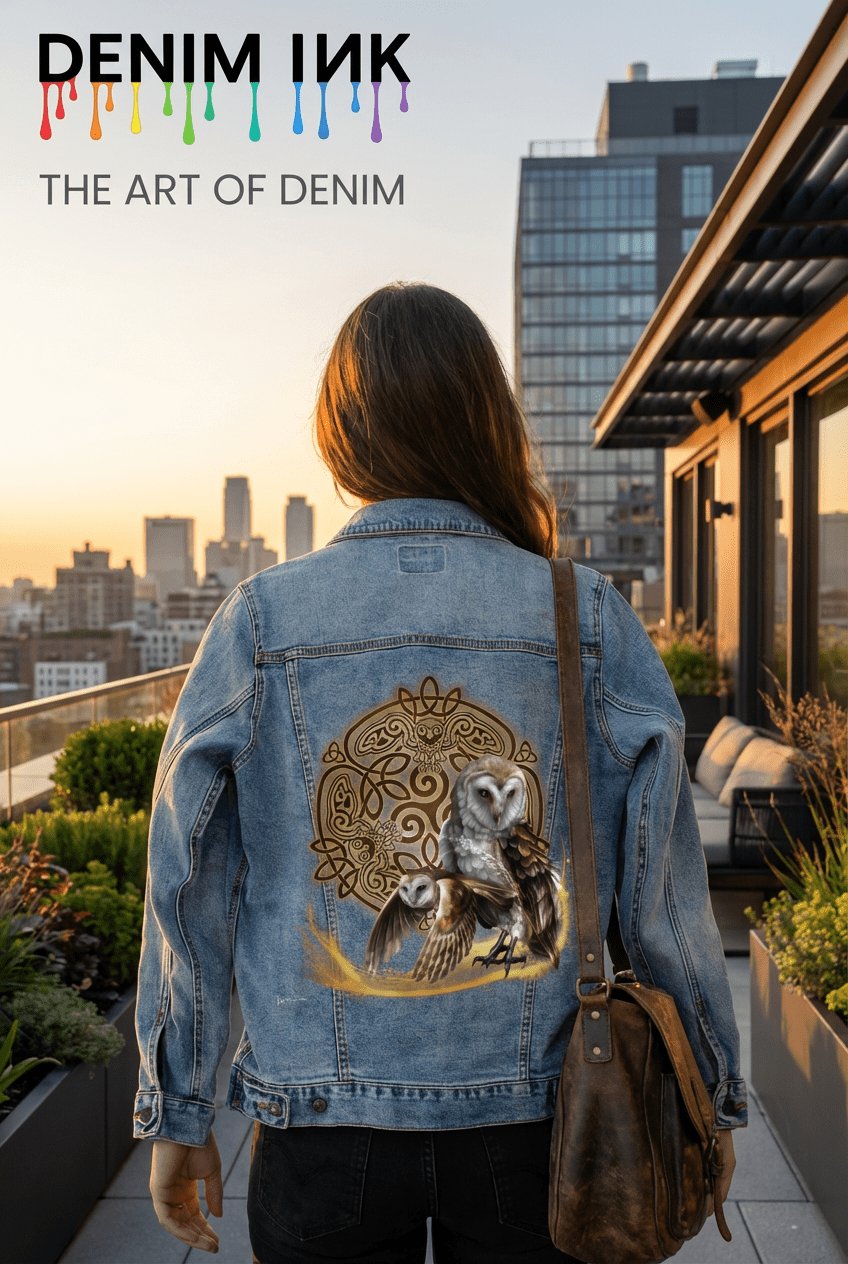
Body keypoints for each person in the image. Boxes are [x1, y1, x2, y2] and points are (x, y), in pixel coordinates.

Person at [136, 283, 742, 1262]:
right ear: (483, 417)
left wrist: (180, 1108)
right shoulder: (583, 612)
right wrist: (707, 1089)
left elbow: (188, 883)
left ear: (342, 434)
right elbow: (664, 891)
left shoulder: (260, 620)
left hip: (316, 1116)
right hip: (537, 1118)